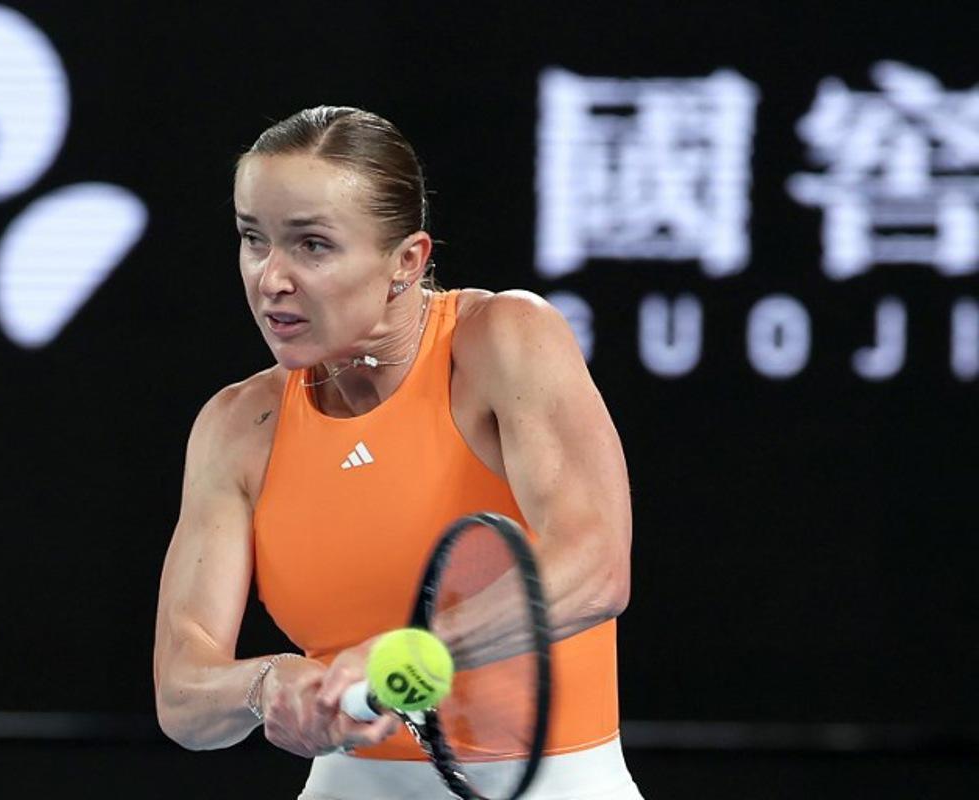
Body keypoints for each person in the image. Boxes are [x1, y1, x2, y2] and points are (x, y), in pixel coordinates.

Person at [153, 106, 642, 799]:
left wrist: (410, 654)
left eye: (312, 245)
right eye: (253, 239)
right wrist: (264, 685)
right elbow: (182, 694)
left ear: (407, 261)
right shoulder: (238, 425)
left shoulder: (504, 340)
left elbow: (594, 568)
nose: (271, 279)